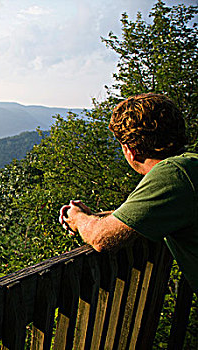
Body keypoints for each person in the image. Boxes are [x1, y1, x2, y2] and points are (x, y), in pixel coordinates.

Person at [59, 93, 198, 292]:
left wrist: (78, 219)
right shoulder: (190, 164)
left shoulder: (173, 175)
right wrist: (97, 217)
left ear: (130, 150)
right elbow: (140, 217)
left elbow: (101, 238)